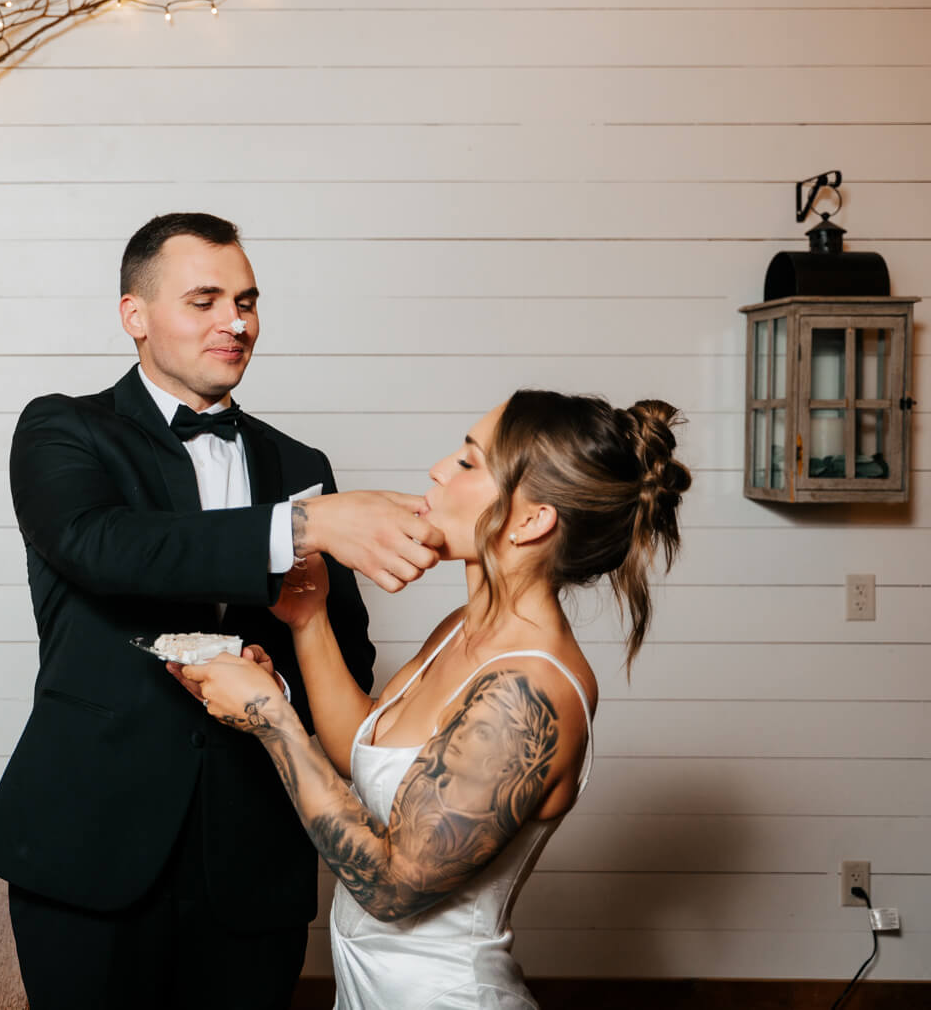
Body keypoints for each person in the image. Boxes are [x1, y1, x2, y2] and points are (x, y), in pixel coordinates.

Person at [0, 212, 445, 1010]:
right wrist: (305, 525)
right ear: (136, 317)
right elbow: (102, 545)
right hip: (87, 850)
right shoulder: (62, 429)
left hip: (253, 858)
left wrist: (278, 688)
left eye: (248, 300)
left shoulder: (301, 464)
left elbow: (347, 657)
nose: (237, 321)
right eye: (206, 299)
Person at [181, 390, 692, 1009]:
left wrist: (272, 720)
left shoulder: (530, 691)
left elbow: (392, 887)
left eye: (470, 463)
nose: (438, 469)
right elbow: (363, 754)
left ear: (532, 519)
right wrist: (308, 619)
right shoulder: (462, 626)